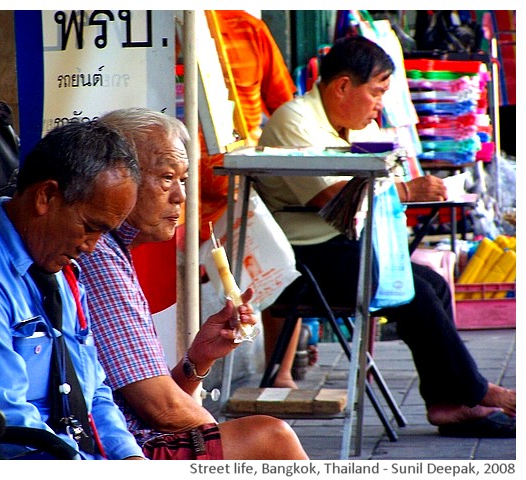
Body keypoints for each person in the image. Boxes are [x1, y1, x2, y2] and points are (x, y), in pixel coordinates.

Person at [254, 35, 516, 437]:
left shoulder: (354, 127)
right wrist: (408, 191)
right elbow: (333, 200)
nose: (379, 105)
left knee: (432, 283)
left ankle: (446, 404)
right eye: (376, 92)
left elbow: (378, 186)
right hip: (306, 259)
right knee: (416, 292)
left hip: (344, 248)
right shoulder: (296, 120)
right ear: (343, 86)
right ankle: (476, 390)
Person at [77, 107, 309, 460]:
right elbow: (160, 410)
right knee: (270, 438)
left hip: (129, 436)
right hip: (116, 450)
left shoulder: (116, 251)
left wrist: (198, 359)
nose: (181, 197)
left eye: (183, 179)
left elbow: (150, 402)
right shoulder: (100, 255)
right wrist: (218, 436)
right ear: (117, 176)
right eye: (166, 177)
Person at [0, 121, 146, 459]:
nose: (92, 246)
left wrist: (128, 456)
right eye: (90, 227)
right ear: (46, 196)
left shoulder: (60, 268)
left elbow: (93, 390)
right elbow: (11, 427)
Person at [198, 10, 303, 389]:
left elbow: (285, 105)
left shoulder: (248, 28)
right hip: (170, 198)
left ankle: (281, 372)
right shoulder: (155, 29)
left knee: (280, 269)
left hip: (236, 191)